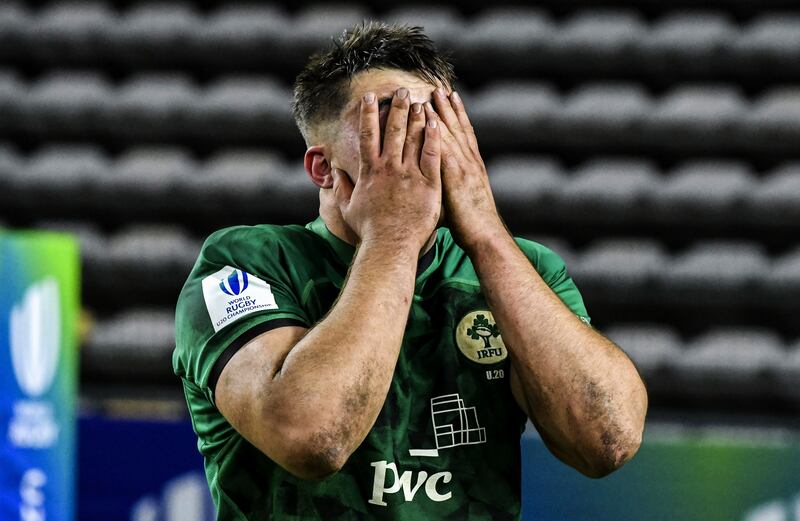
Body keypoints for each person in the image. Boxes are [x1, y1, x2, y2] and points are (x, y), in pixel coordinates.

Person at [173, 22, 648, 520]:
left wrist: (486, 232)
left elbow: (606, 440)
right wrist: (394, 234)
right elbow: (313, 438)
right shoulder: (243, 263)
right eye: (387, 125)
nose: (415, 145)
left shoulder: (521, 269)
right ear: (323, 168)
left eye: (431, 121)